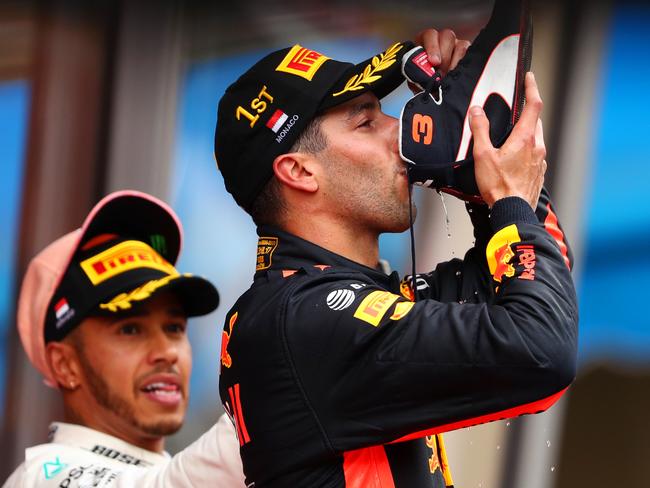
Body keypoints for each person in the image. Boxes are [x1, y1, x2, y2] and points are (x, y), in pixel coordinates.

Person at [213, 26, 578, 488]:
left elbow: (541, 288)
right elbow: (539, 352)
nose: (399, 128)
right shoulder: (301, 317)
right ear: (300, 171)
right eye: (366, 122)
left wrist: (478, 159)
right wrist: (509, 199)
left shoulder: (333, 300)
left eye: (385, 112)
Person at [3, 190, 245, 487]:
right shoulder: (41, 476)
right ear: (64, 364)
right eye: (130, 329)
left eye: (174, 328)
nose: (168, 352)